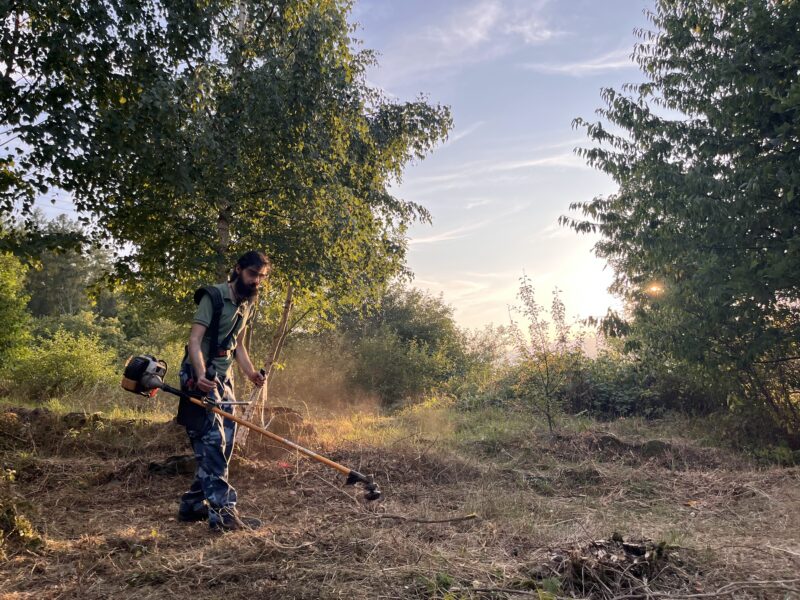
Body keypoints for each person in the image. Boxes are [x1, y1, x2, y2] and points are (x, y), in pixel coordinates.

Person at [177, 251, 270, 532]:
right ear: (238, 269)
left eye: (261, 277)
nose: (256, 281)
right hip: (200, 375)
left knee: (224, 443)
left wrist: (251, 373)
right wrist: (202, 375)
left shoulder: (246, 303)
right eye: (253, 274)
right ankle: (223, 514)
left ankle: (193, 504)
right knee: (213, 441)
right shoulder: (214, 297)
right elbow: (194, 341)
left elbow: (237, 345)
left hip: (223, 377)